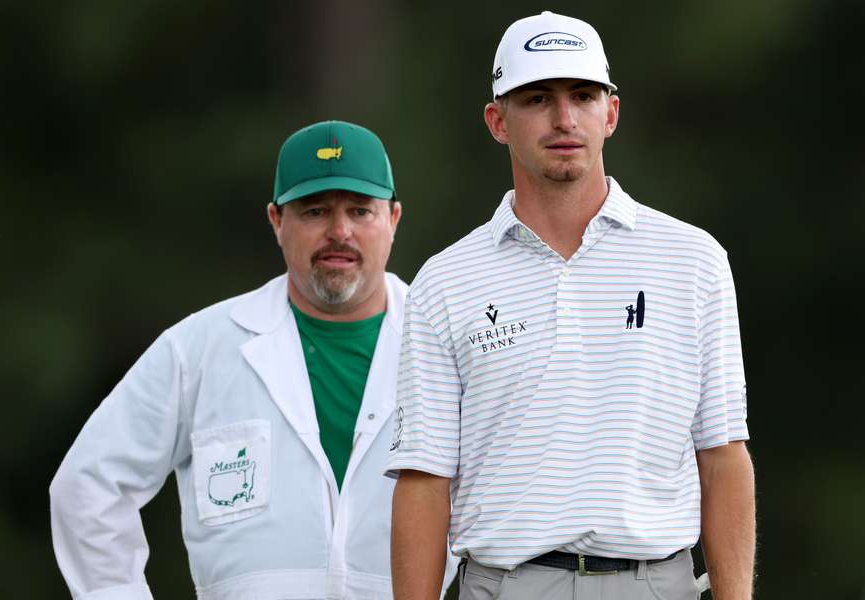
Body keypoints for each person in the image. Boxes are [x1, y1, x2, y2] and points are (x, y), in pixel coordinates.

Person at [387, 12, 755, 600]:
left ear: (610, 112)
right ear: (497, 121)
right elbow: (424, 481)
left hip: (656, 583)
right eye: (537, 98)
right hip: (504, 584)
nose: (564, 119)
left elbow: (723, 454)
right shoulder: (446, 280)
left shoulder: (694, 260)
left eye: (582, 96)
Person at [50, 120, 457, 599]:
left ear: (393, 219)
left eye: (360, 211)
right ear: (276, 221)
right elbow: (89, 484)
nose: (339, 231)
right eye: (315, 211)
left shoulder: (447, 344)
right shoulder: (201, 348)